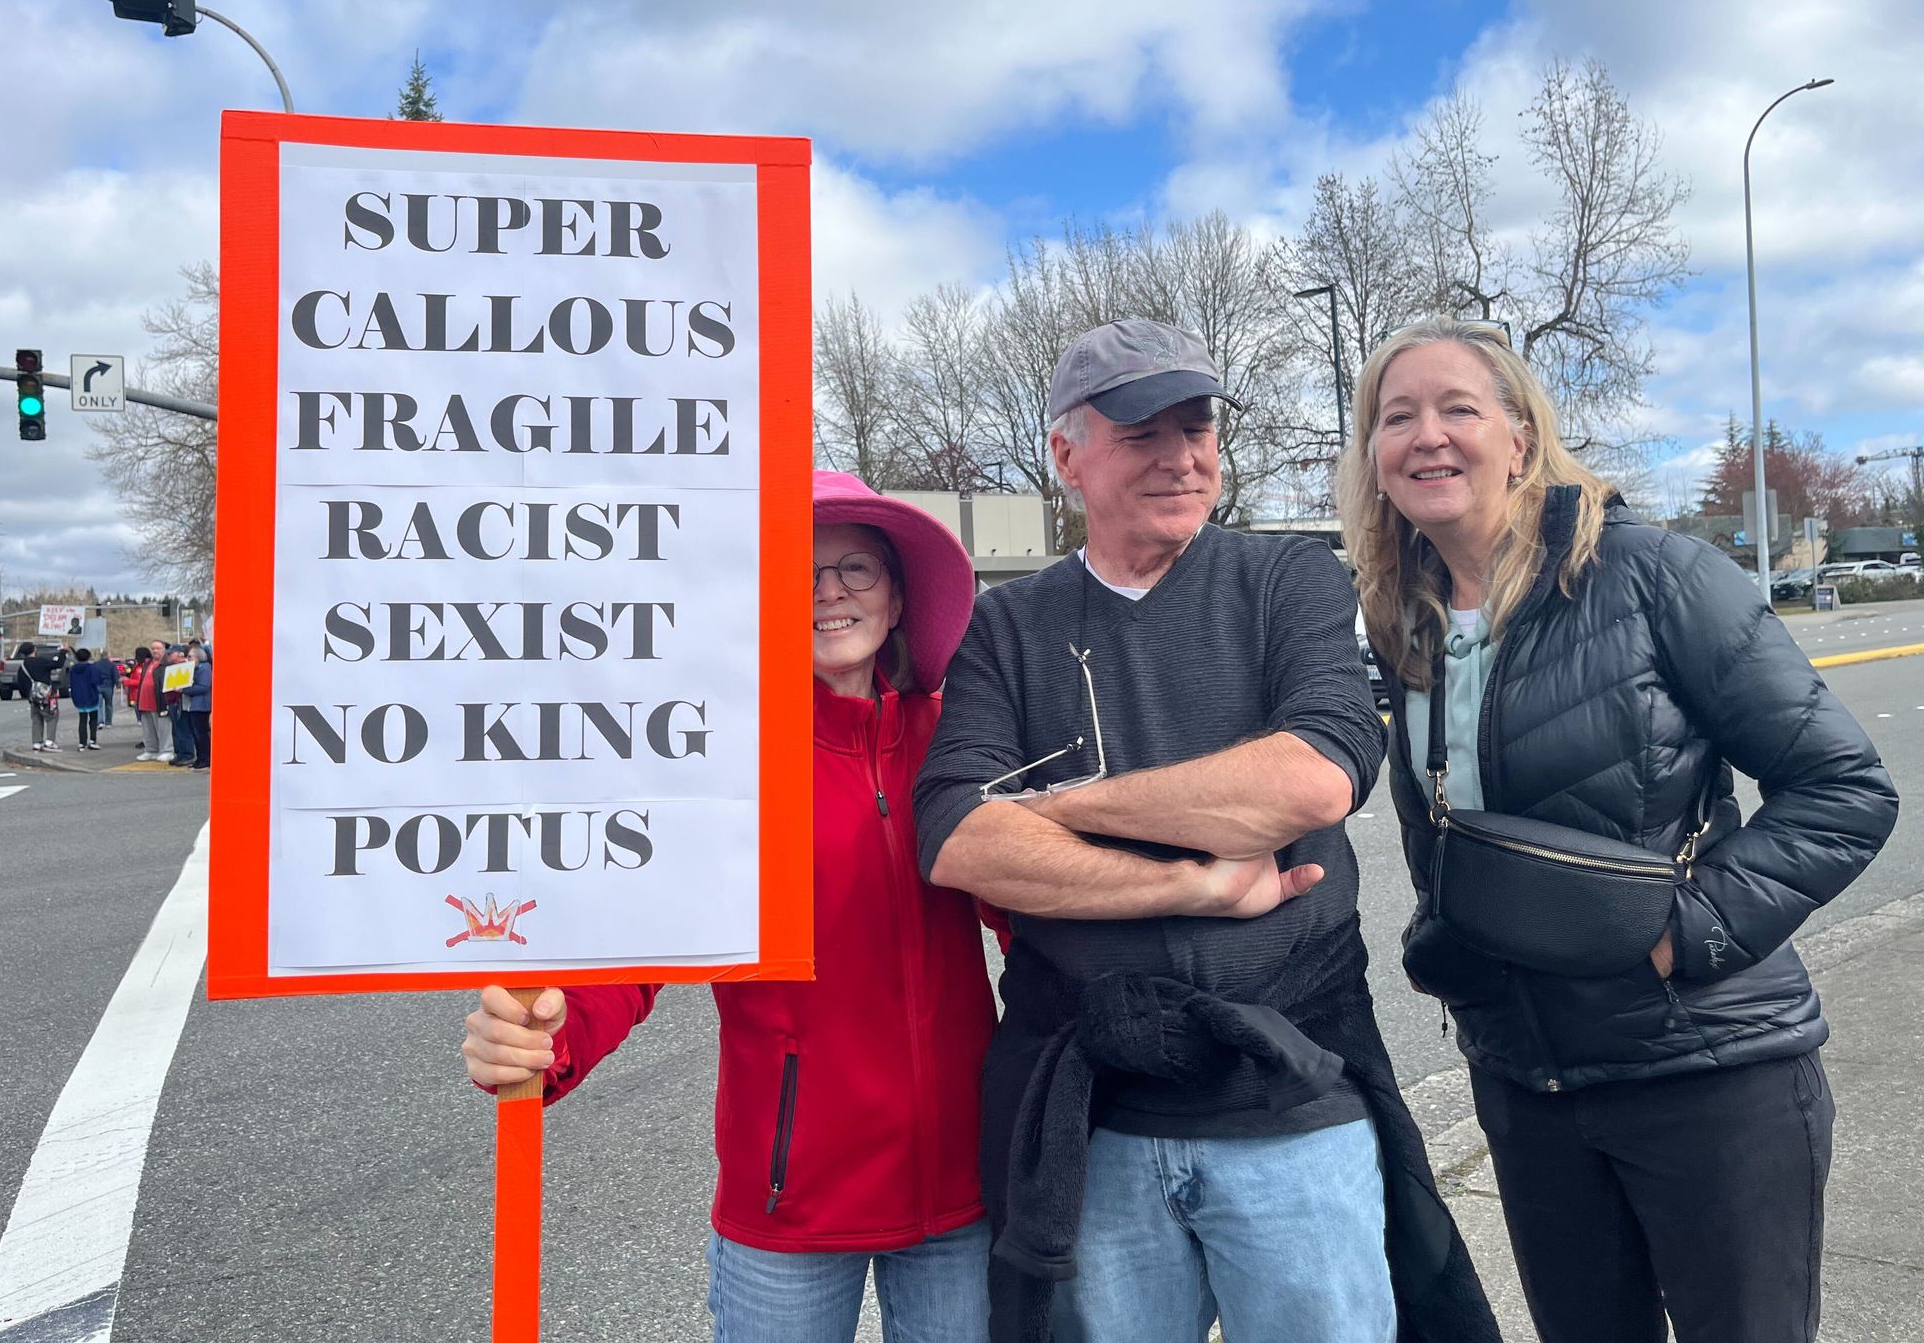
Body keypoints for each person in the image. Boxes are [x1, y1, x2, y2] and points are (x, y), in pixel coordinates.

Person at [913, 318, 1495, 1343]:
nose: (1181, 458)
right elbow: (960, 841)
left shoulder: (1285, 582)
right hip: (1093, 1120)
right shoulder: (1007, 630)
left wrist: (1058, 807)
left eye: (1196, 429)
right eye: (1141, 434)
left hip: (1290, 1095)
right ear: (1065, 456)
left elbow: (1312, 779)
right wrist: (1195, 884)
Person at [1336, 318, 1899, 1343]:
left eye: (1456, 407)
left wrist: (1676, 936)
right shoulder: (1403, 625)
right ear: (1371, 458)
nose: (1425, 435)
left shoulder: (1651, 576)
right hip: (1527, 1085)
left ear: (1519, 436)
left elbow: (1842, 789)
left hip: (1705, 1074)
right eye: (1394, 415)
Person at [463, 472, 1000, 1343]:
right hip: (789, 1198)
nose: (830, 592)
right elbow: (636, 946)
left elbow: (1037, 915)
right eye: (799, 570)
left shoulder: (958, 737)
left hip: (963, 1188)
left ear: (898, 597)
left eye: (857, 568)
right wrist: (547, 1034)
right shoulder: (718, 763)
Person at [16, 640, 64, 752]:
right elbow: (58, 664)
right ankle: (50, 741)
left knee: (36, 718)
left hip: (33, 697)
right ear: (34, 650)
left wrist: (28, 695)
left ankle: (37, 742)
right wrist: (63, 652)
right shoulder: (41, 661)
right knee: (52, 716)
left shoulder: (23, 665)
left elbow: (21, 683)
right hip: (46, 695)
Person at [128, 646, 167, 761]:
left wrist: (127, 681)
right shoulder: (145, 665)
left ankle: (166, 749)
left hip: (158, 702)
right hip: (142, 701)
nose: (155, 651)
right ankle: (151, 749)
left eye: (158, 649)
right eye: (153, 649)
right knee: (148, 728)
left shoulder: (163, 665)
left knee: (163, 728)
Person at [64, 646, 106, 750]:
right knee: (93, 719)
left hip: (78, 697)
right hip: (91, 695)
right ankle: (92, 740)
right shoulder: (92, 668)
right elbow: (98, 680)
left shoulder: (73, 669)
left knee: (82, 720)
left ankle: (82, 743)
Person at [180, 642, 212, 769]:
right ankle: (200, 758)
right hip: (194, 705)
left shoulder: (204, 669)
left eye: (190, 657)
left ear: (198, 657)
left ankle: (205, 759)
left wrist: (184, 689)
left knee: (201, 734)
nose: (188, 659)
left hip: (201, 706)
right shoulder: (195, 669)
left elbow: (203, 687)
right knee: (196, 733)